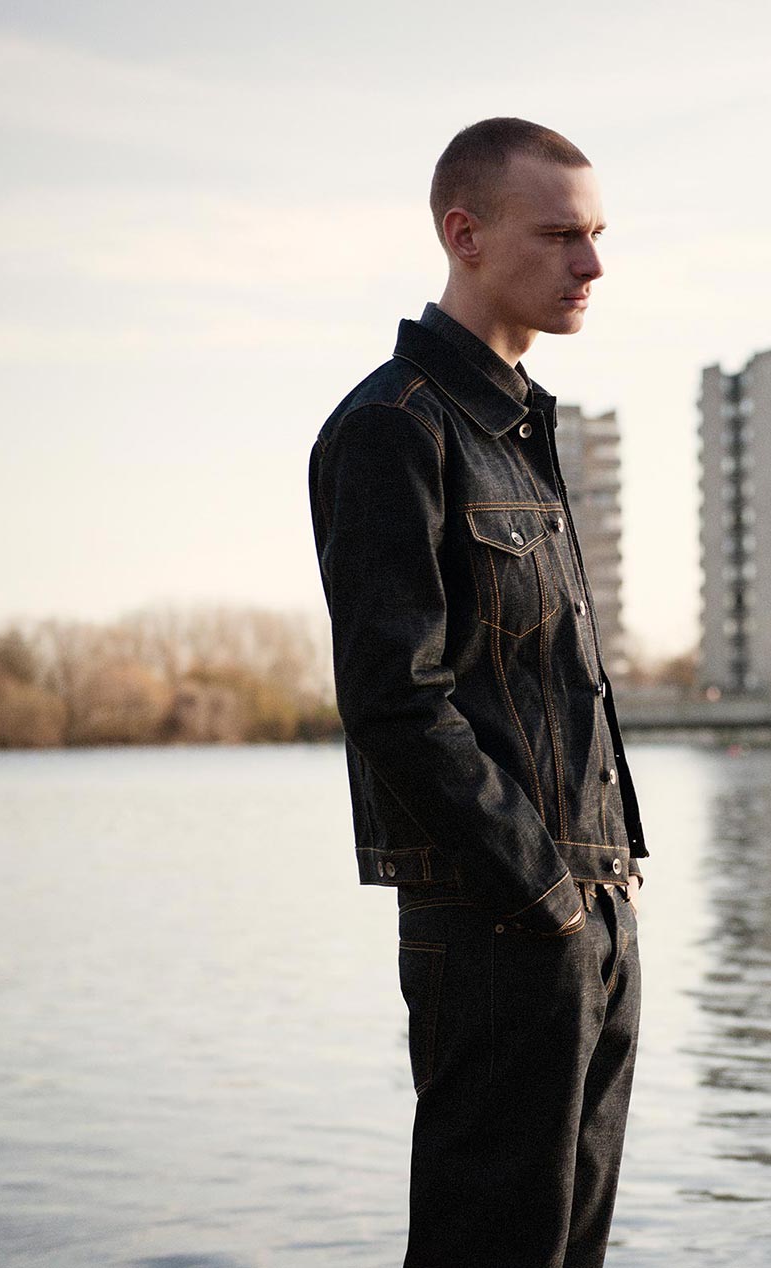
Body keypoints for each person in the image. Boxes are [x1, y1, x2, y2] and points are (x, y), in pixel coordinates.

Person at [307, 117, 646, 1268]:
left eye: (595, 234)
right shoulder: (392, 426)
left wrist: (599, 897)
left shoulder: (516, 423)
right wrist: (543, 893)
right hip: (502, 915)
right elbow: (394, 698)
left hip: (590, 902)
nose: (591, 264)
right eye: (559, 235)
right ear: (465, 233)